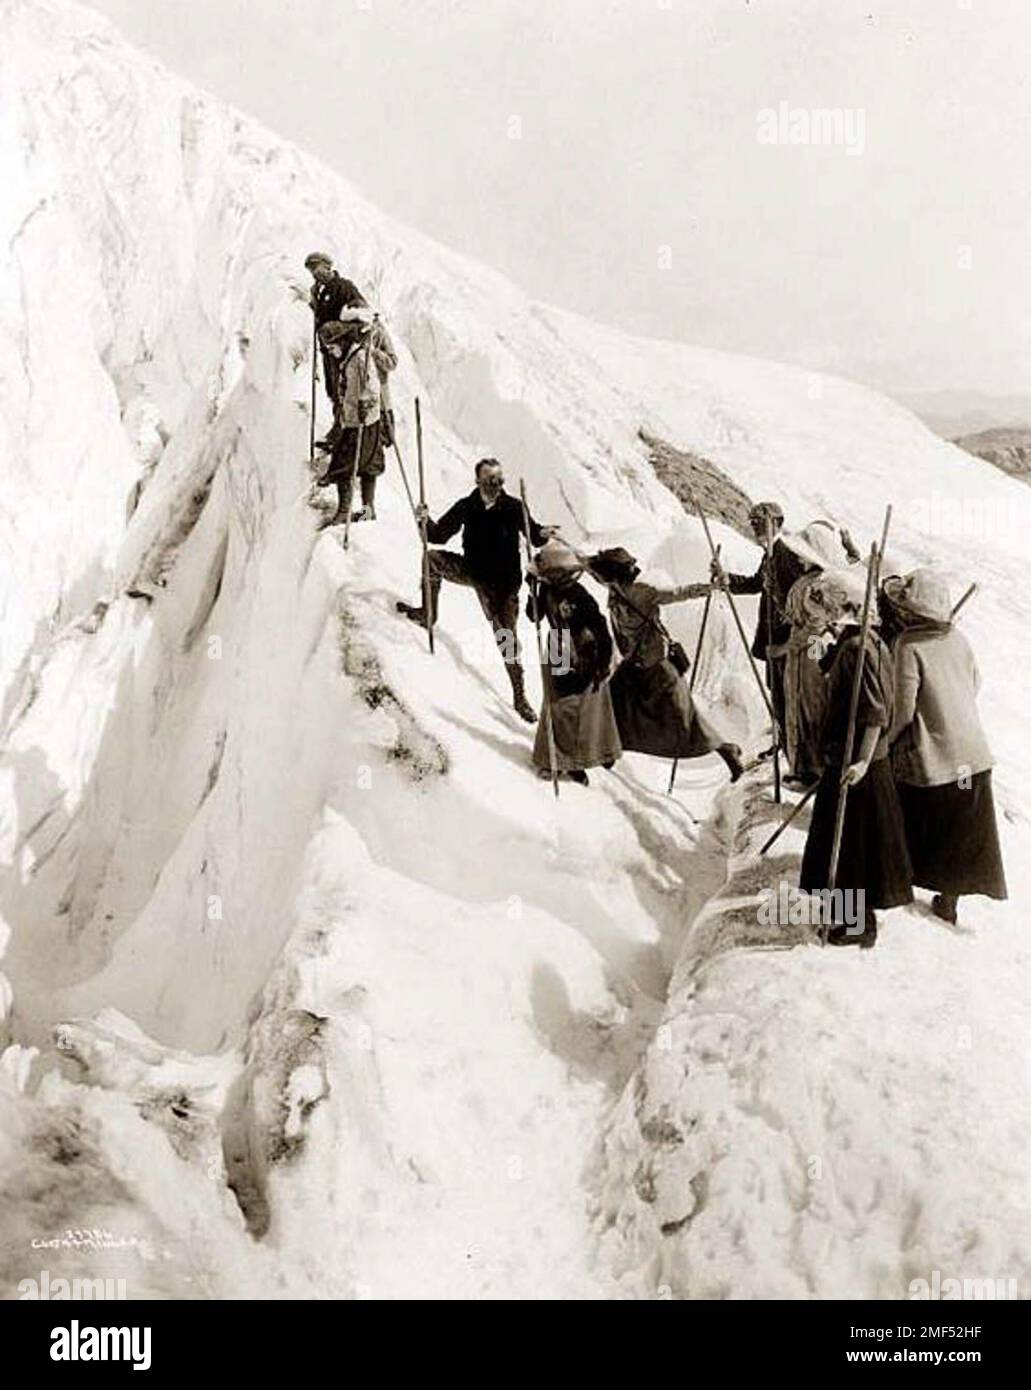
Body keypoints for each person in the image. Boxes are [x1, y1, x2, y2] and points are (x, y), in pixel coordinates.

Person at [883, 569, 1006, 926]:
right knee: (961, 821)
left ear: (910, 611)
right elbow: (975, 683)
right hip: (971, 761)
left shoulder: (908, 646)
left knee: (919, 813)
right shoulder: (960, 639)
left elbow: (904, 711)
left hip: (938, 757)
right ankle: (949, 900)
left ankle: (901, 882)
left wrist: (886, 742)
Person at [799, 570, 912, 948]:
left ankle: (859, 925)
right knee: (847, 842)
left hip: (857, 763)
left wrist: (861, 762)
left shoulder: (858, 648)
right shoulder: (861, 641)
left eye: (827, 609)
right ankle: (851, 918)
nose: (824, 617)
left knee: (853, 847)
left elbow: (875, 713)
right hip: (852, 759)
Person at [397, 459, 558, 723]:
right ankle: (428, 614)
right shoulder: (467, 506)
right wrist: (424, 521)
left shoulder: (514, 507)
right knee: (432, 560)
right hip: (472, 571)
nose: (496, 486)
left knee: (506, 640)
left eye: (499, 481)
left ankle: (519, 696)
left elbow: (534, 536)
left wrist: (543, 532)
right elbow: (437, 536)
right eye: (490, 481)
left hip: (503, 587)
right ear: (478, 482)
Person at [586, 548, 744, 781]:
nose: (600, 578)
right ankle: (607, 751)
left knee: (684, 717)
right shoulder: (613, 587)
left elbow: (679, 593)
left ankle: (726, 751)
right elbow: (589, 566)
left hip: (656, 663)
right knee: (612, 700)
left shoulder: (643, 591)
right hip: (632, 662)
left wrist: (711, 587)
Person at [718, 506, 860, 738]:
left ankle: (798, 746)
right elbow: (756, 584)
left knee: (798, 693)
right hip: (774, 635)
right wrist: (728, 580)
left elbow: (810, 606)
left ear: (777, 521)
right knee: (777, 691)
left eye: (760, 521)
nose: (755, 526)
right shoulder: (770, 553)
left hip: (793, 638)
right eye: (752, 521)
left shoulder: (791, 553)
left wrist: (796, 636)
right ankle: (784, 740)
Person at [527, 539, 621, 785]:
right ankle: (556, 760)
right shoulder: (547, 589)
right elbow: (533, 617)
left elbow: (601, 631)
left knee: (577, 710)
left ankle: (575, 762)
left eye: (547, 574)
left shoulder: (580, 597)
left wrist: (602, 663)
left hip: (582, 654)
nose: (545, 577)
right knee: (556, 706)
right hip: (558, 647)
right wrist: (532, 590)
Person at [316, 312, 397, 525]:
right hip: (358, 420)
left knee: (344, 465)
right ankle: (367, 508)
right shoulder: (351, 357)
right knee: (367, 465)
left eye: (332, 348)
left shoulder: (359, 359)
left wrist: (365, 403)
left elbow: (372, 386)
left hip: (362, 422)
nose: (331, 353)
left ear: (340, 342)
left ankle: (346, 511)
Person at [305, 252, 368, 435]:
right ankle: (338, 426)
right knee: (332, 389)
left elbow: (363, 314)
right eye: (311, 270)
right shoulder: (318, 291)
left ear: (327, 266)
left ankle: (345, 431)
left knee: (344, 389)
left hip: (344, 349)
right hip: (328, 350)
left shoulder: (344, 287)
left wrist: (341, 330)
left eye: (316, 268)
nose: (314, 273)